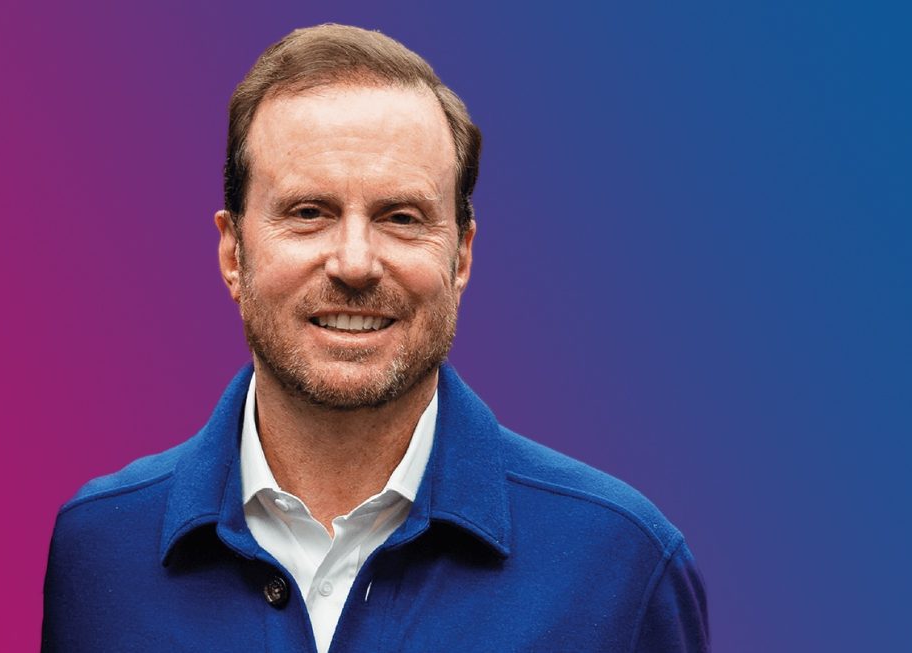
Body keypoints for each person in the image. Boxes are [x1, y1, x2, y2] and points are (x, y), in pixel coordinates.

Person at [42, 24, 709, 653]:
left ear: (462, 255)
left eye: (401, 217)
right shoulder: (99, 551)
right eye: (309, 212)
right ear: (232, 253)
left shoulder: (620, 564)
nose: (355, 263)